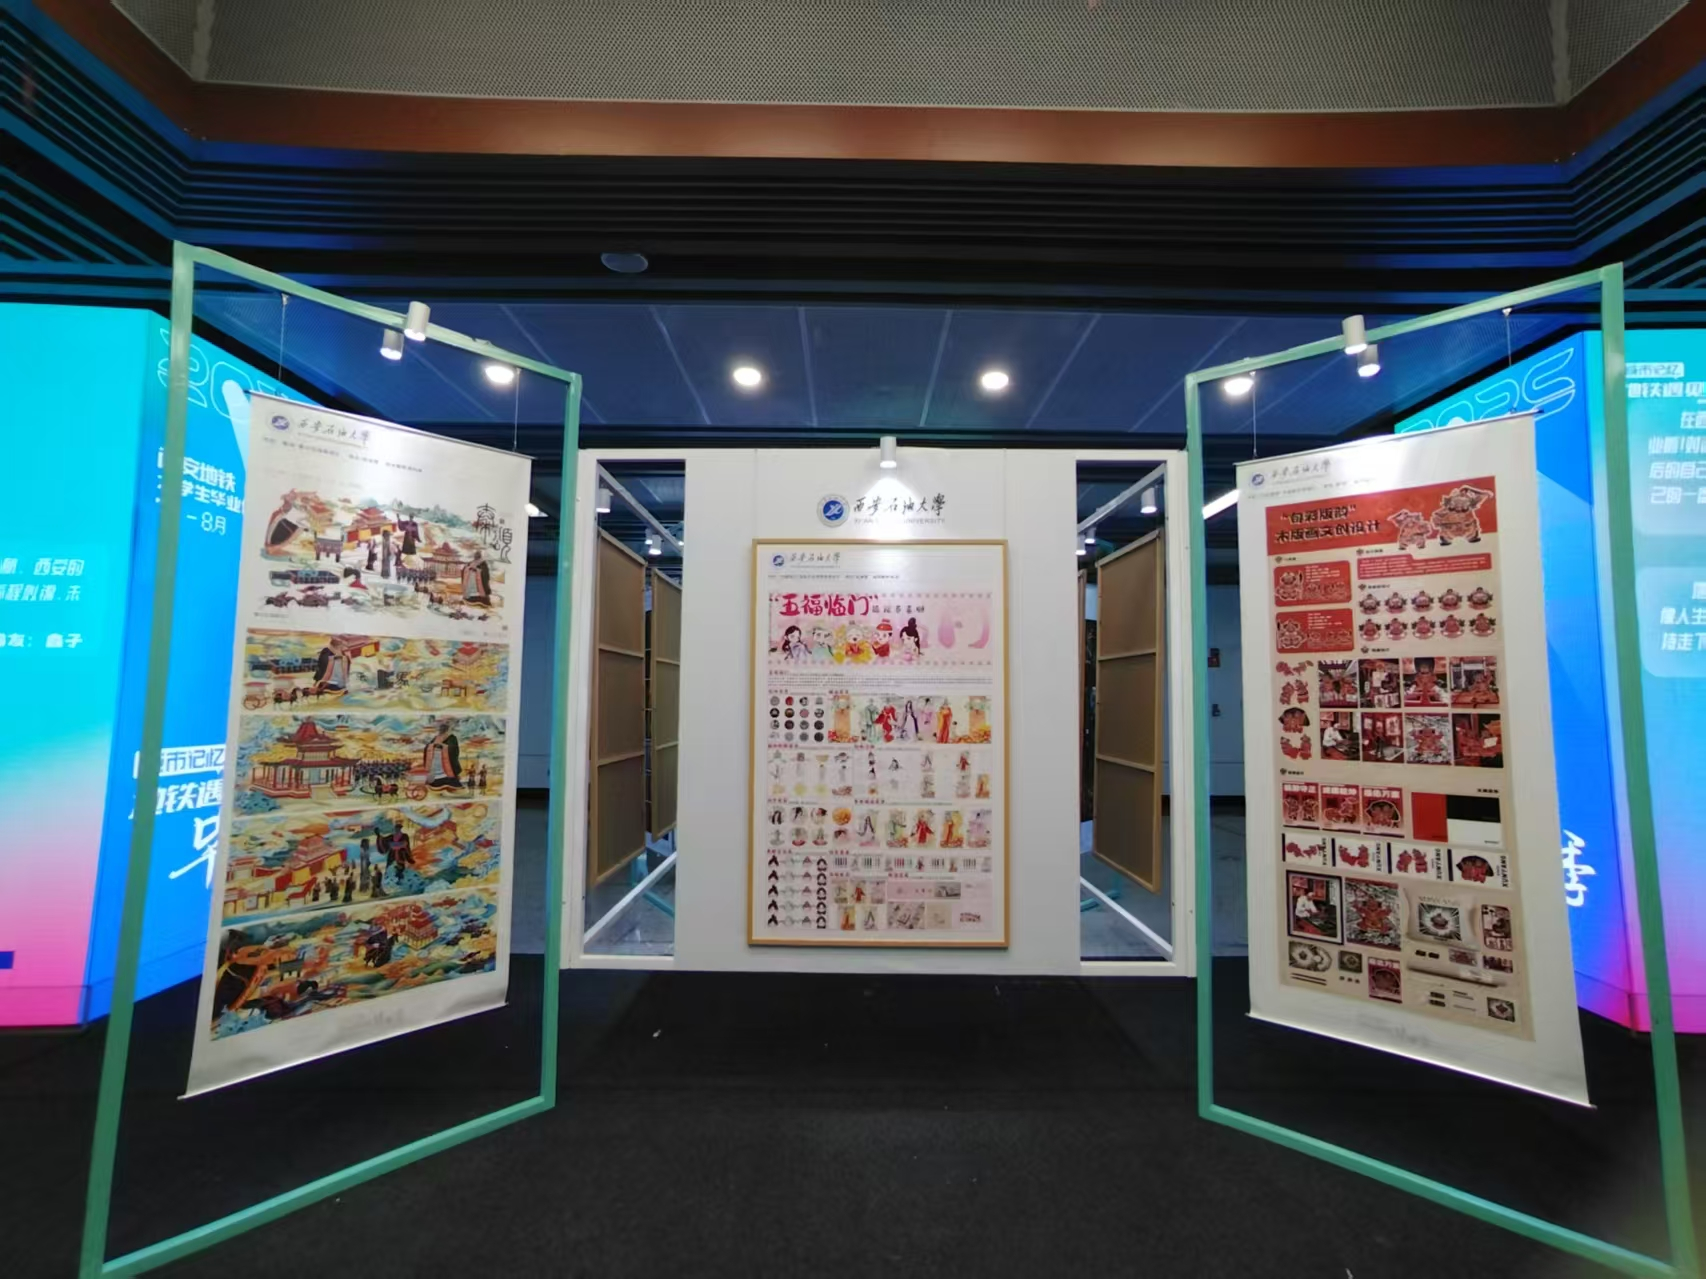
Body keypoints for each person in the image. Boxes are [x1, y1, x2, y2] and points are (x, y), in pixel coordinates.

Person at [424, 720, 461, 790]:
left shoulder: (451, 738)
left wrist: (443, 746)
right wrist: (433, 746)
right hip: (435, 765)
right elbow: (428, 747)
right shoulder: (436, 738)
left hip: (445, 766)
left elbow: (453, 749)